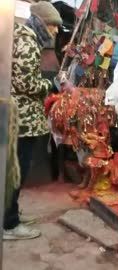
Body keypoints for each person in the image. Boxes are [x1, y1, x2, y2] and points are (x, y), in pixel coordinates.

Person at [4, 2, 62, 240]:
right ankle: (9, 225)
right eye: (53, 25)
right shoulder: (27, 42)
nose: (56, 31)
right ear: (41, 22)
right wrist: (48, 85)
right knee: (16, 172)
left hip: (17, 116)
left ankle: (11, 215)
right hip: (22, 120)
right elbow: (27, 84)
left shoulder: (22, 37)